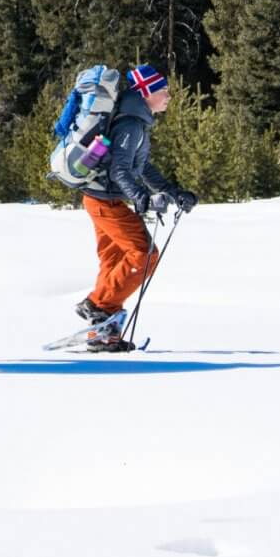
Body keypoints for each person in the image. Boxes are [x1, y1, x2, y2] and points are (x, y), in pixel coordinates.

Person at [71, 64, 197, 351]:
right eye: (163, 91)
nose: (168, 96)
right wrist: (140, 198)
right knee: (144, 254)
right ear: (147, 92)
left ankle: (103, 335)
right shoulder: (130, 123)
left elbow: (142, 167)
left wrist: (174, 192)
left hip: (100, 197)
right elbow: (120, 171)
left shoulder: (136, 121)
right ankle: (97, 305)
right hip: (106, 200)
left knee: (114, 263)